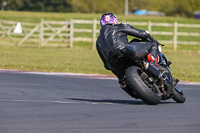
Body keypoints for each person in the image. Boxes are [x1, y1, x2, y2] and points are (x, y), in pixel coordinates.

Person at [96, 13, 160, 94]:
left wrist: (111, 67)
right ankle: (154, 65)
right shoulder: (120, 26)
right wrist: (152, 39)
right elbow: (142, 34)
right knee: (153, 45)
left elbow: (105, 63)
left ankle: (124, 84)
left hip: (113, 63)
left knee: (121, 79)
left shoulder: (98, 40)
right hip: (126, 51)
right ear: (115, 20)